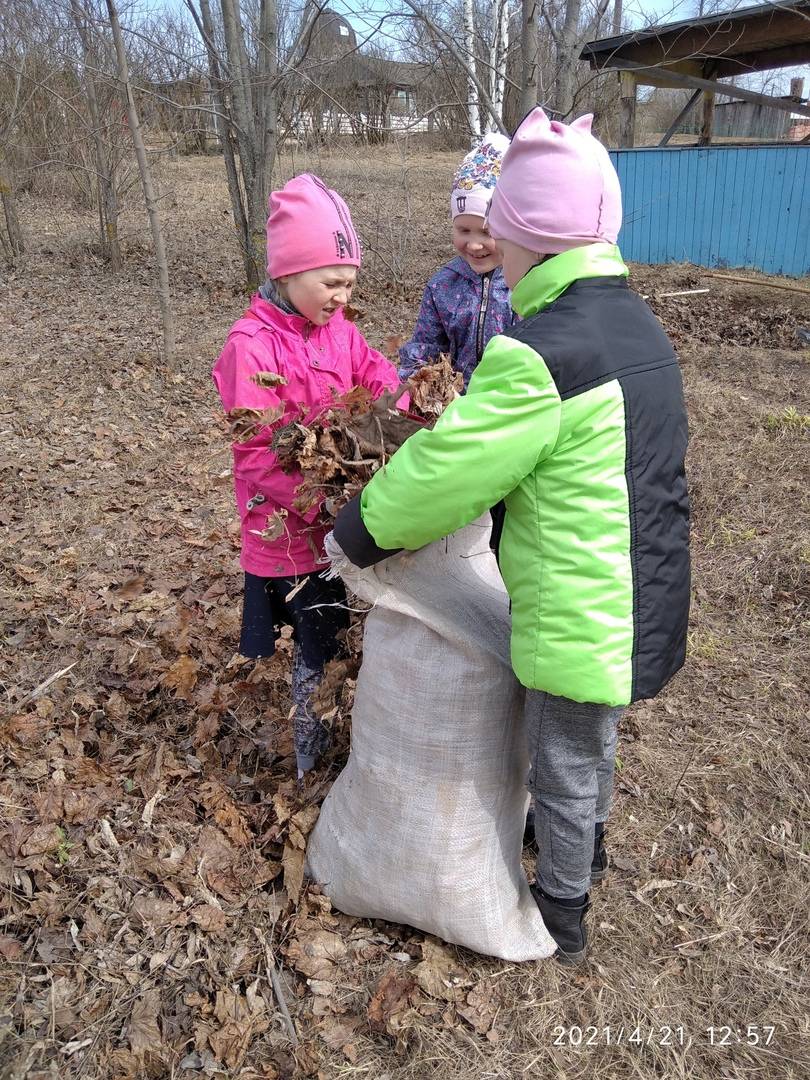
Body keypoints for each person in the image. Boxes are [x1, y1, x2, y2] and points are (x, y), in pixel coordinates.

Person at [331, 110, 690, 964]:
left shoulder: (538, 356)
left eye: (507, 236)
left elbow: (453, 466)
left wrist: (364, 523)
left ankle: (562, 908)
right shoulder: (637, 327)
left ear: (530, 245)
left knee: (562, 757)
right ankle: (589, 848)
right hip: (647, 586)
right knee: (593, 741)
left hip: (582, 602)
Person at [213, 173, 400, 779]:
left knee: (338, 633)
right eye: (331, 281)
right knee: (314, 645)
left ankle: (334, 731)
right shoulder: (251, 347)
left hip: (333, 522)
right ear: (289, 272)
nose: (343, 295)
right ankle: (308, 758)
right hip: (286, 535)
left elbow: (376, 379)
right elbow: (257, 453)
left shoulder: (338, 330)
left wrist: (415, 405)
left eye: (350, 282)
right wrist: (320, 505)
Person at [398, 134, 513, 390]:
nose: (473, 244)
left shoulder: (525, 285)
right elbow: (427, 347)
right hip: (456, 408)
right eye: (463, 230)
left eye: (486, 232)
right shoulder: (443, 286)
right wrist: (412, 382)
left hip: (512, 406)